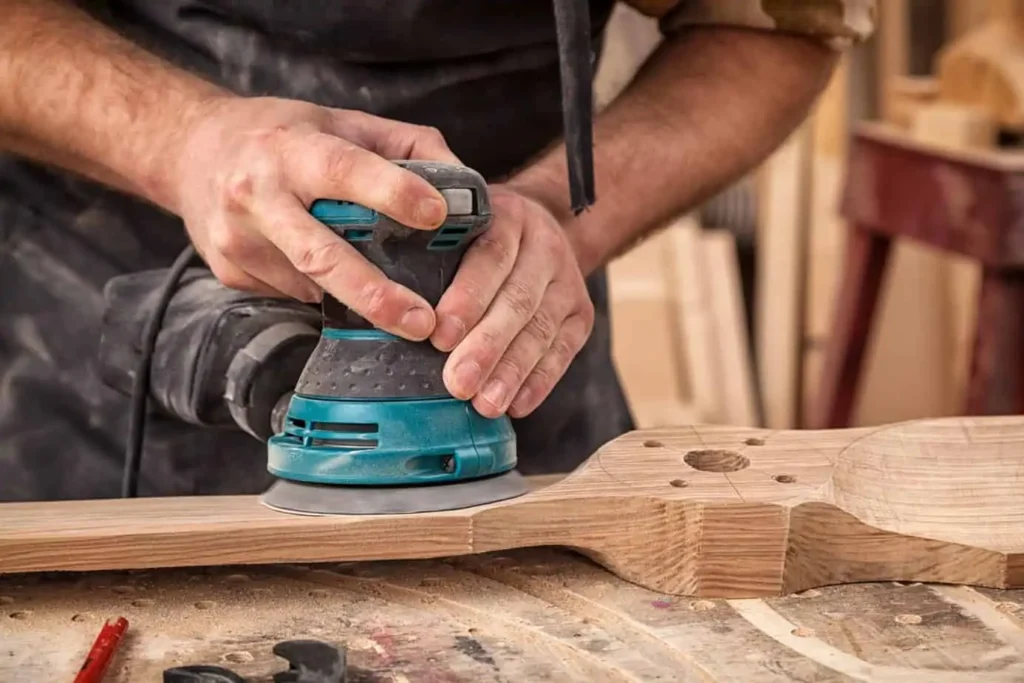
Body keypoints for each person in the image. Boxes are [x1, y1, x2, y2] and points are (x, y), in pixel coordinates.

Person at [0, 0, 874, 501]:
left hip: (508, 330)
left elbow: (778, 23)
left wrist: (552, 215)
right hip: (94, 322)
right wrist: (180, 140)